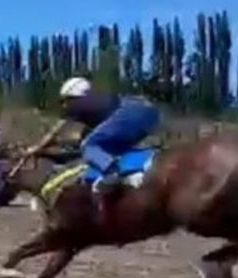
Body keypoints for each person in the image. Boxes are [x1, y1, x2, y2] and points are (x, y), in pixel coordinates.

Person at [18, 76, 161, 198]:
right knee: (112, 148)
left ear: (71, 96)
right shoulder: (97, 104)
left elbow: (54, 133)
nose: (64, 105)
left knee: (89, 145)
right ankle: (134, 173)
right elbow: (84, 136)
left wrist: (34, 149)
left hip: (129, 111)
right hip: (147, 110)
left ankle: (112, 174)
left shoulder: (77, 104)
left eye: (64, 100)